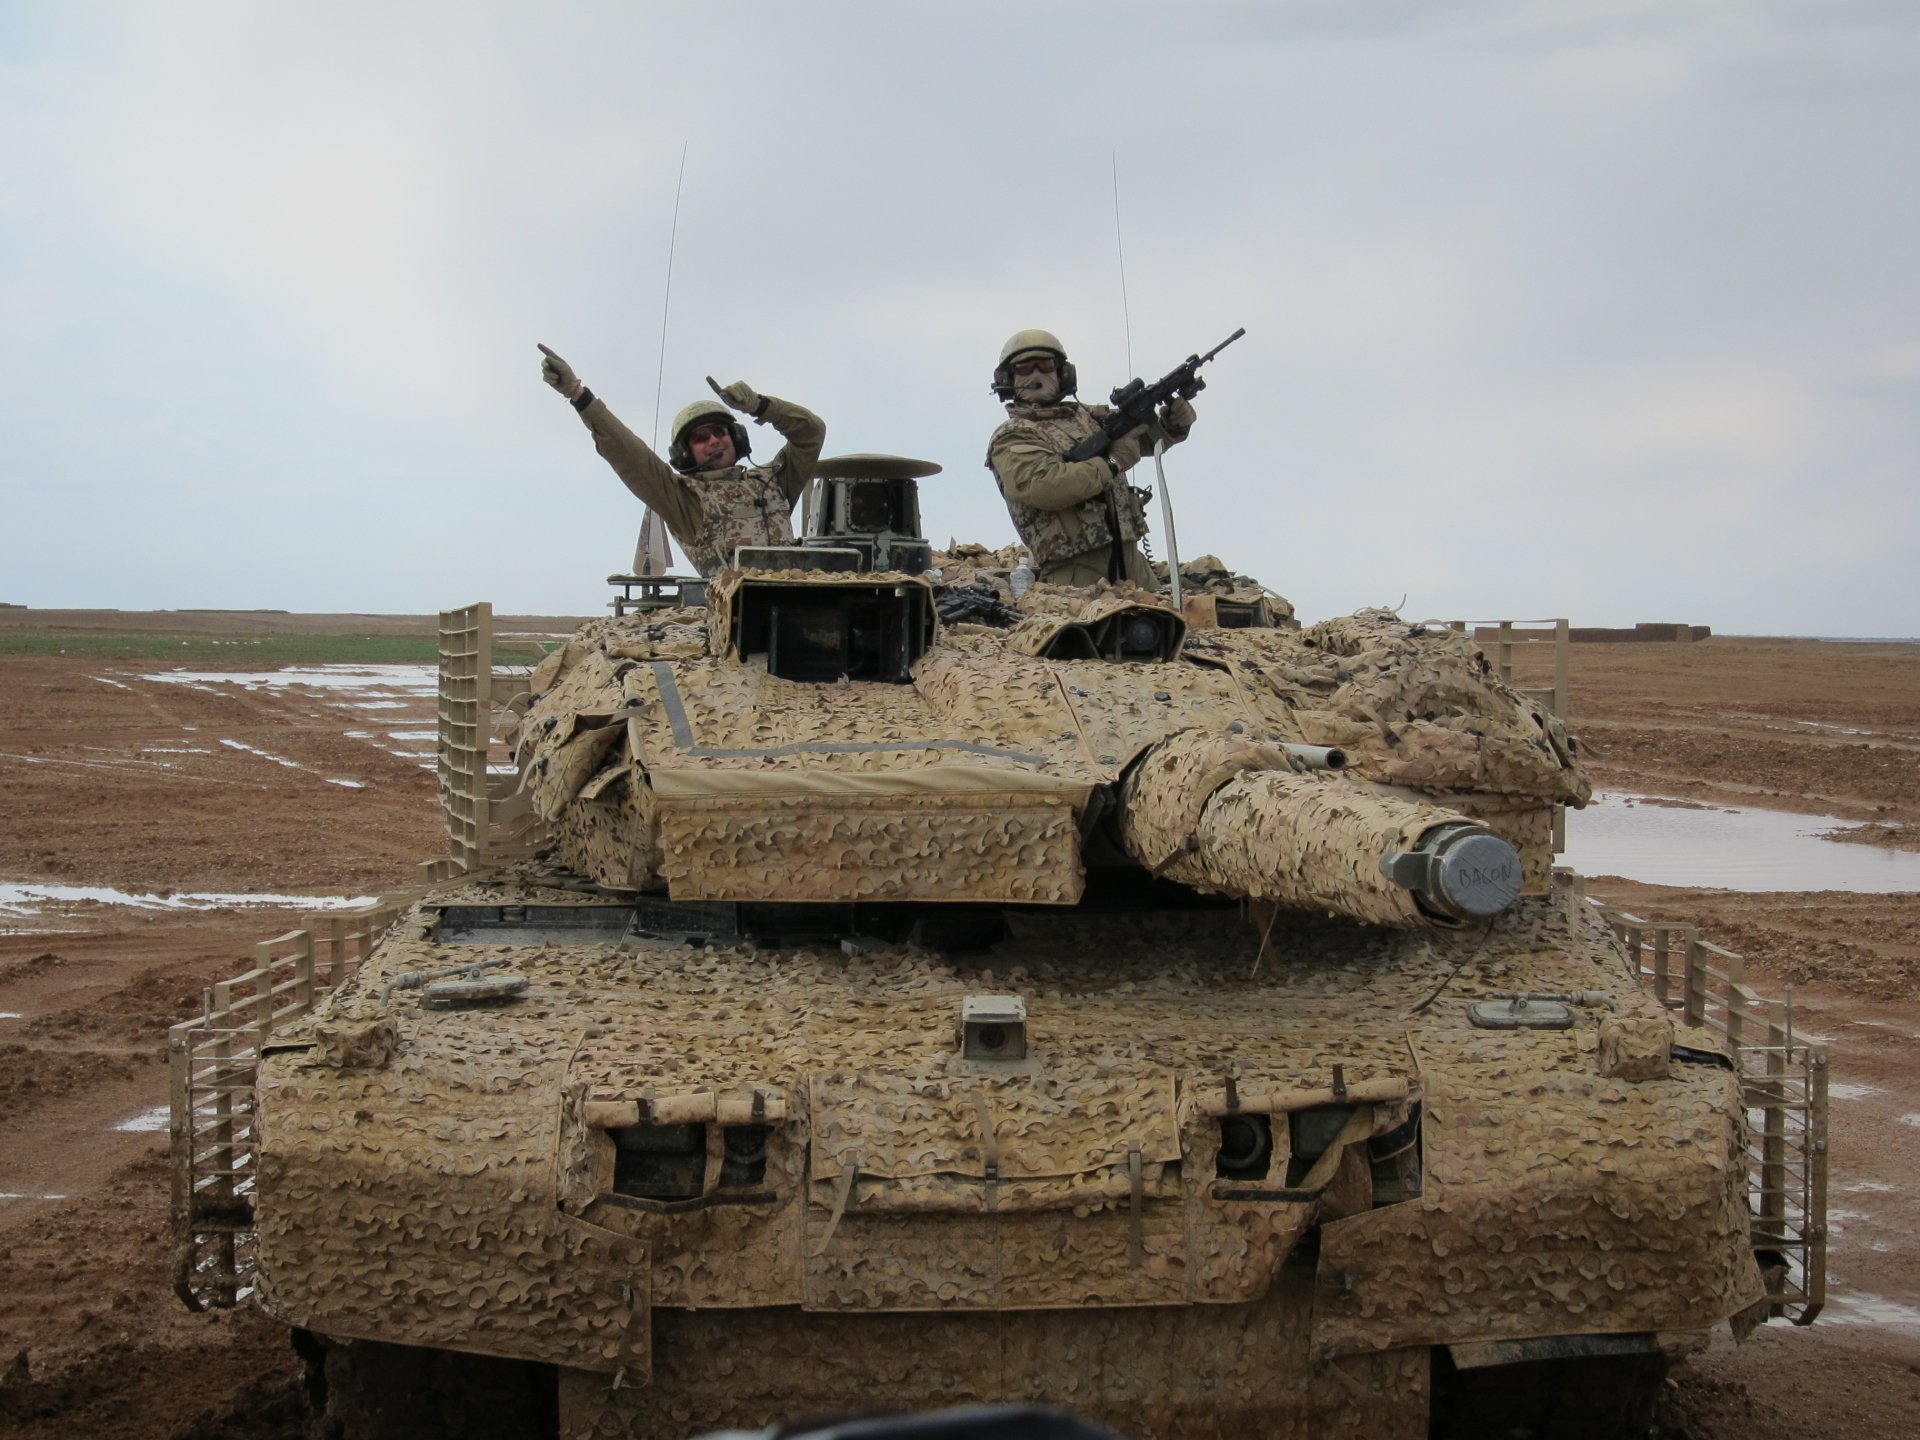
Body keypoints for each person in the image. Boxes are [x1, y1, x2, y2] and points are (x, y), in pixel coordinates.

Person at [538, 344, 826, 577]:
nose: (714, 441)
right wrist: (577, 393)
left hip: (797, 608)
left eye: (719, 432)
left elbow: (810, 432)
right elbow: (628, 454)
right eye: (701, 438)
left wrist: (760, 406)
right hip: (735, 621)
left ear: (735, 437)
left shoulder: (772, 482)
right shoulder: (684, 499)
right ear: (685, 453)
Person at [984, 329, 1196, 589]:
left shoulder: (1089, 418)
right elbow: (1043, 486)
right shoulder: (1013, 436)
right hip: (1075, 575)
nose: (1037, 374)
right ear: (1008, 378)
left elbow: (1142, 441)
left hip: (1132, 564)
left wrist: (1172, 425)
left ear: (1062, 373)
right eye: (1025, 368)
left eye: (1046, 365)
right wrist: (1111, 464)